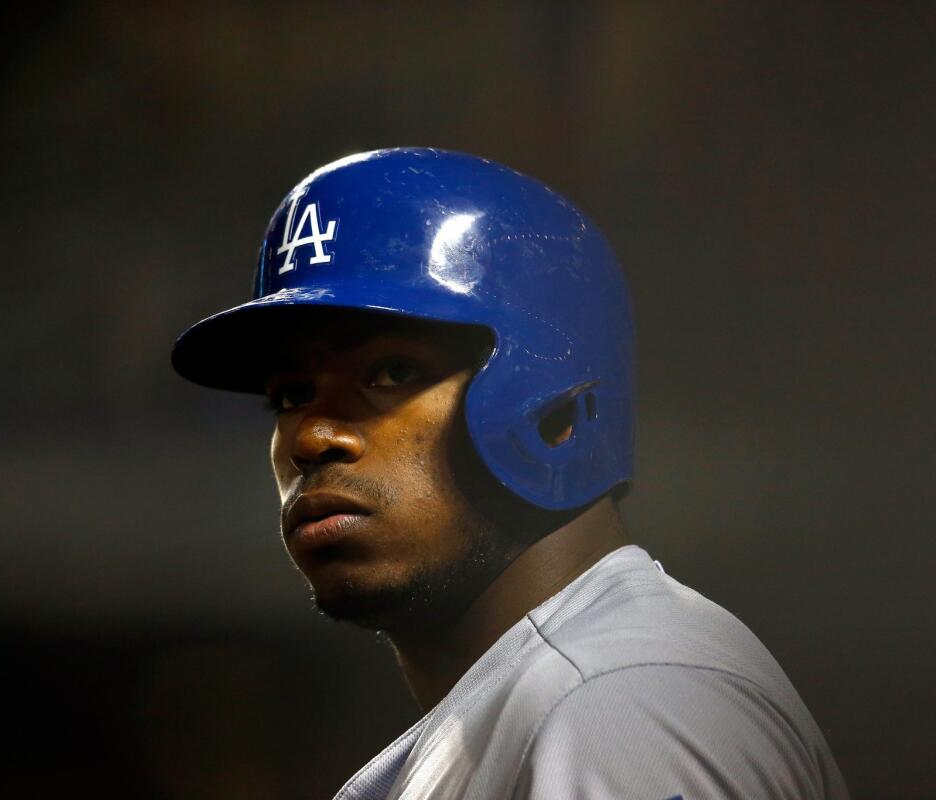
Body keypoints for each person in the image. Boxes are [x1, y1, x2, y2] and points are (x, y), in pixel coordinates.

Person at [171, 148, 848, 799]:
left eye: (391, 372)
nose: (312, 435)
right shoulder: (558, 697)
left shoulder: (622, 700)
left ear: (554, 409)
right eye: (290, 394)